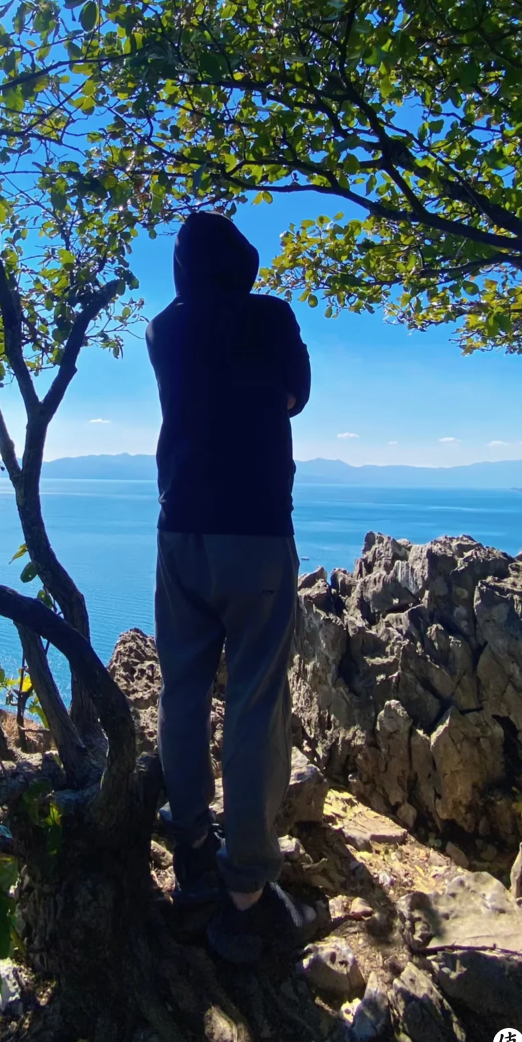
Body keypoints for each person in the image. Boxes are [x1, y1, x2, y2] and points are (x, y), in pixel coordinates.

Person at [146, 210, 314, 964]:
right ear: (242, 260)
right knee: (252, 701)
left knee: (179, 695)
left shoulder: (163, 330)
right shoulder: (271, 316)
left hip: (181, 531)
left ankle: (191, 867)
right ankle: (245, 889)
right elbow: (291, 398)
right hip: (255, 530)